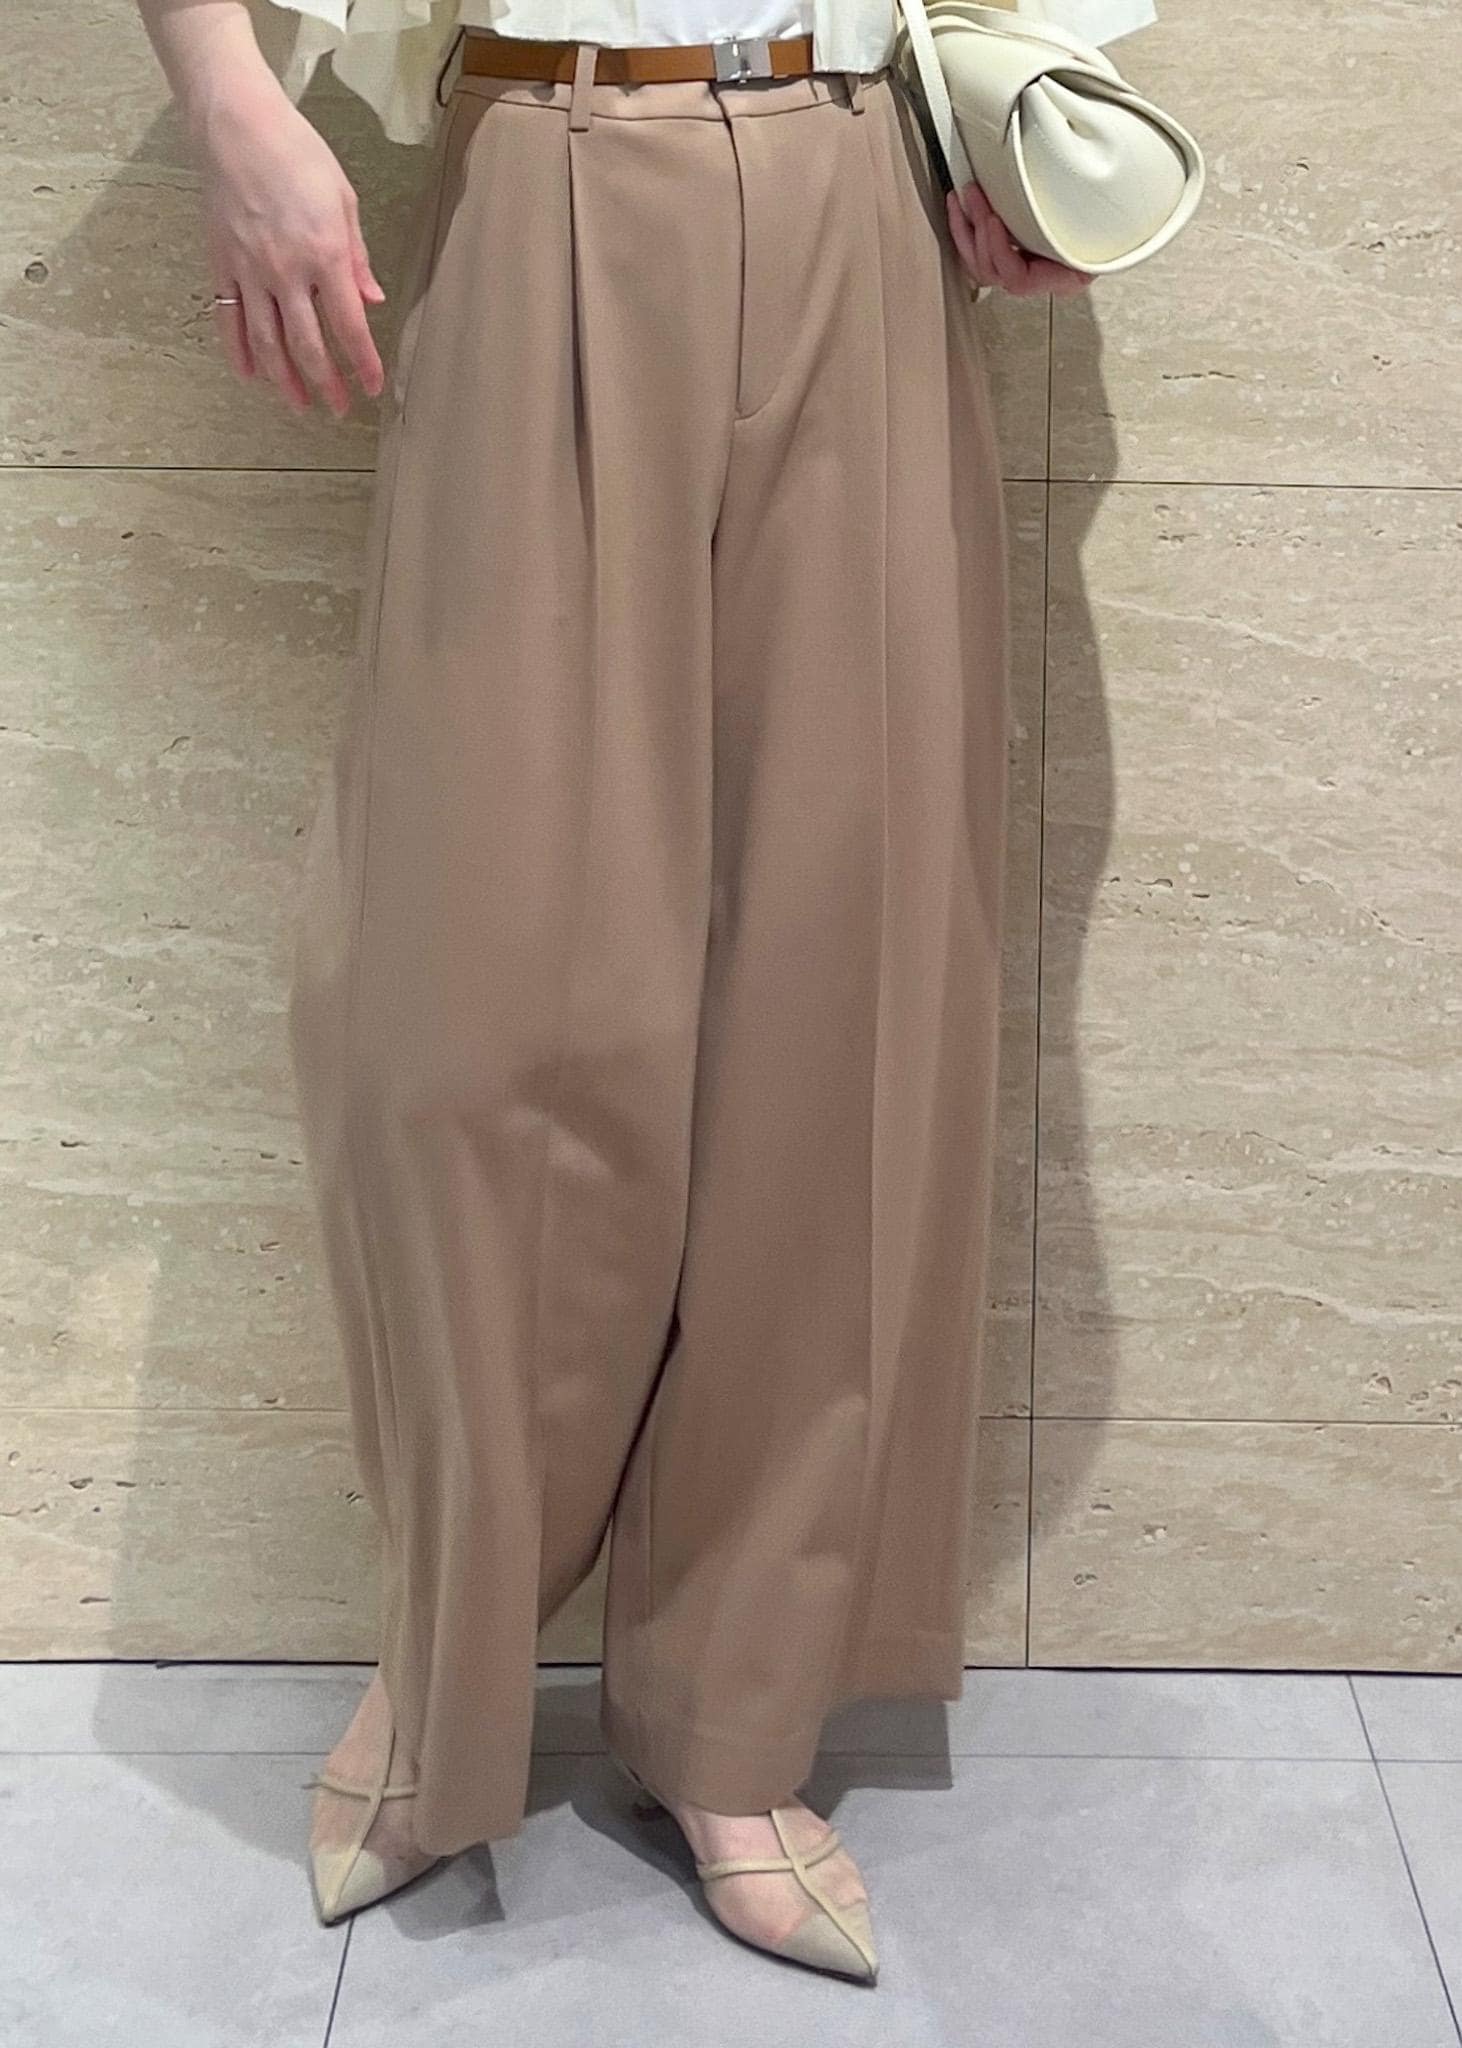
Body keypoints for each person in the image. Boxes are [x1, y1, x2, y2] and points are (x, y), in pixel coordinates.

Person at [137, 0, 1151, 1988]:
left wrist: (1039, 110)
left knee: (835, 992)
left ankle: (733, 1714)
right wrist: (230, 106)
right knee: (460, 1013)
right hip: (542, 170)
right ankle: (447, 1657)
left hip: (863, 183)